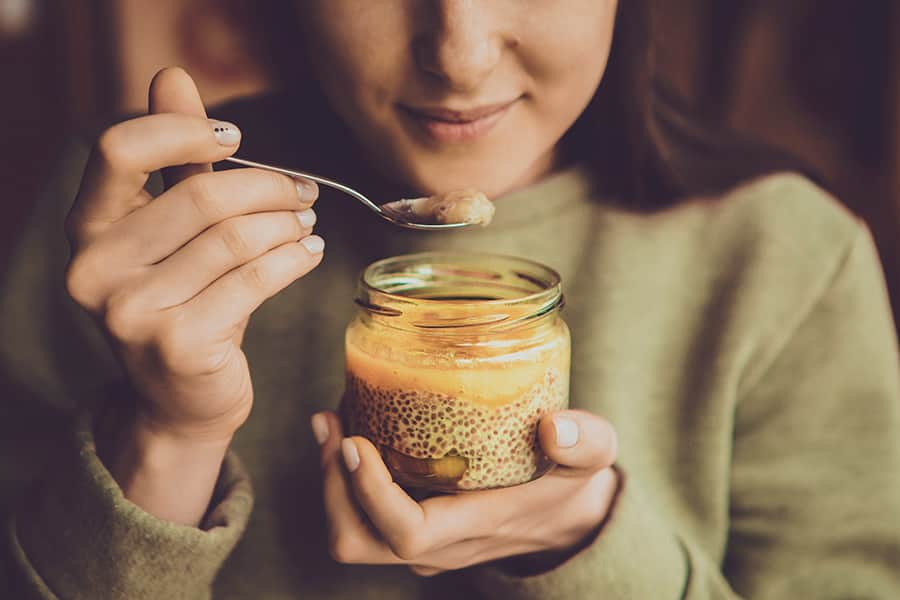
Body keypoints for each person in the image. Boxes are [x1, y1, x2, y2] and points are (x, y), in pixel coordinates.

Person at [2, 1, 899, 598]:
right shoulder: (135, 235)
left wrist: (583, 542)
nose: (460, 59)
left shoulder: (788, 259)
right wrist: (166, 433)